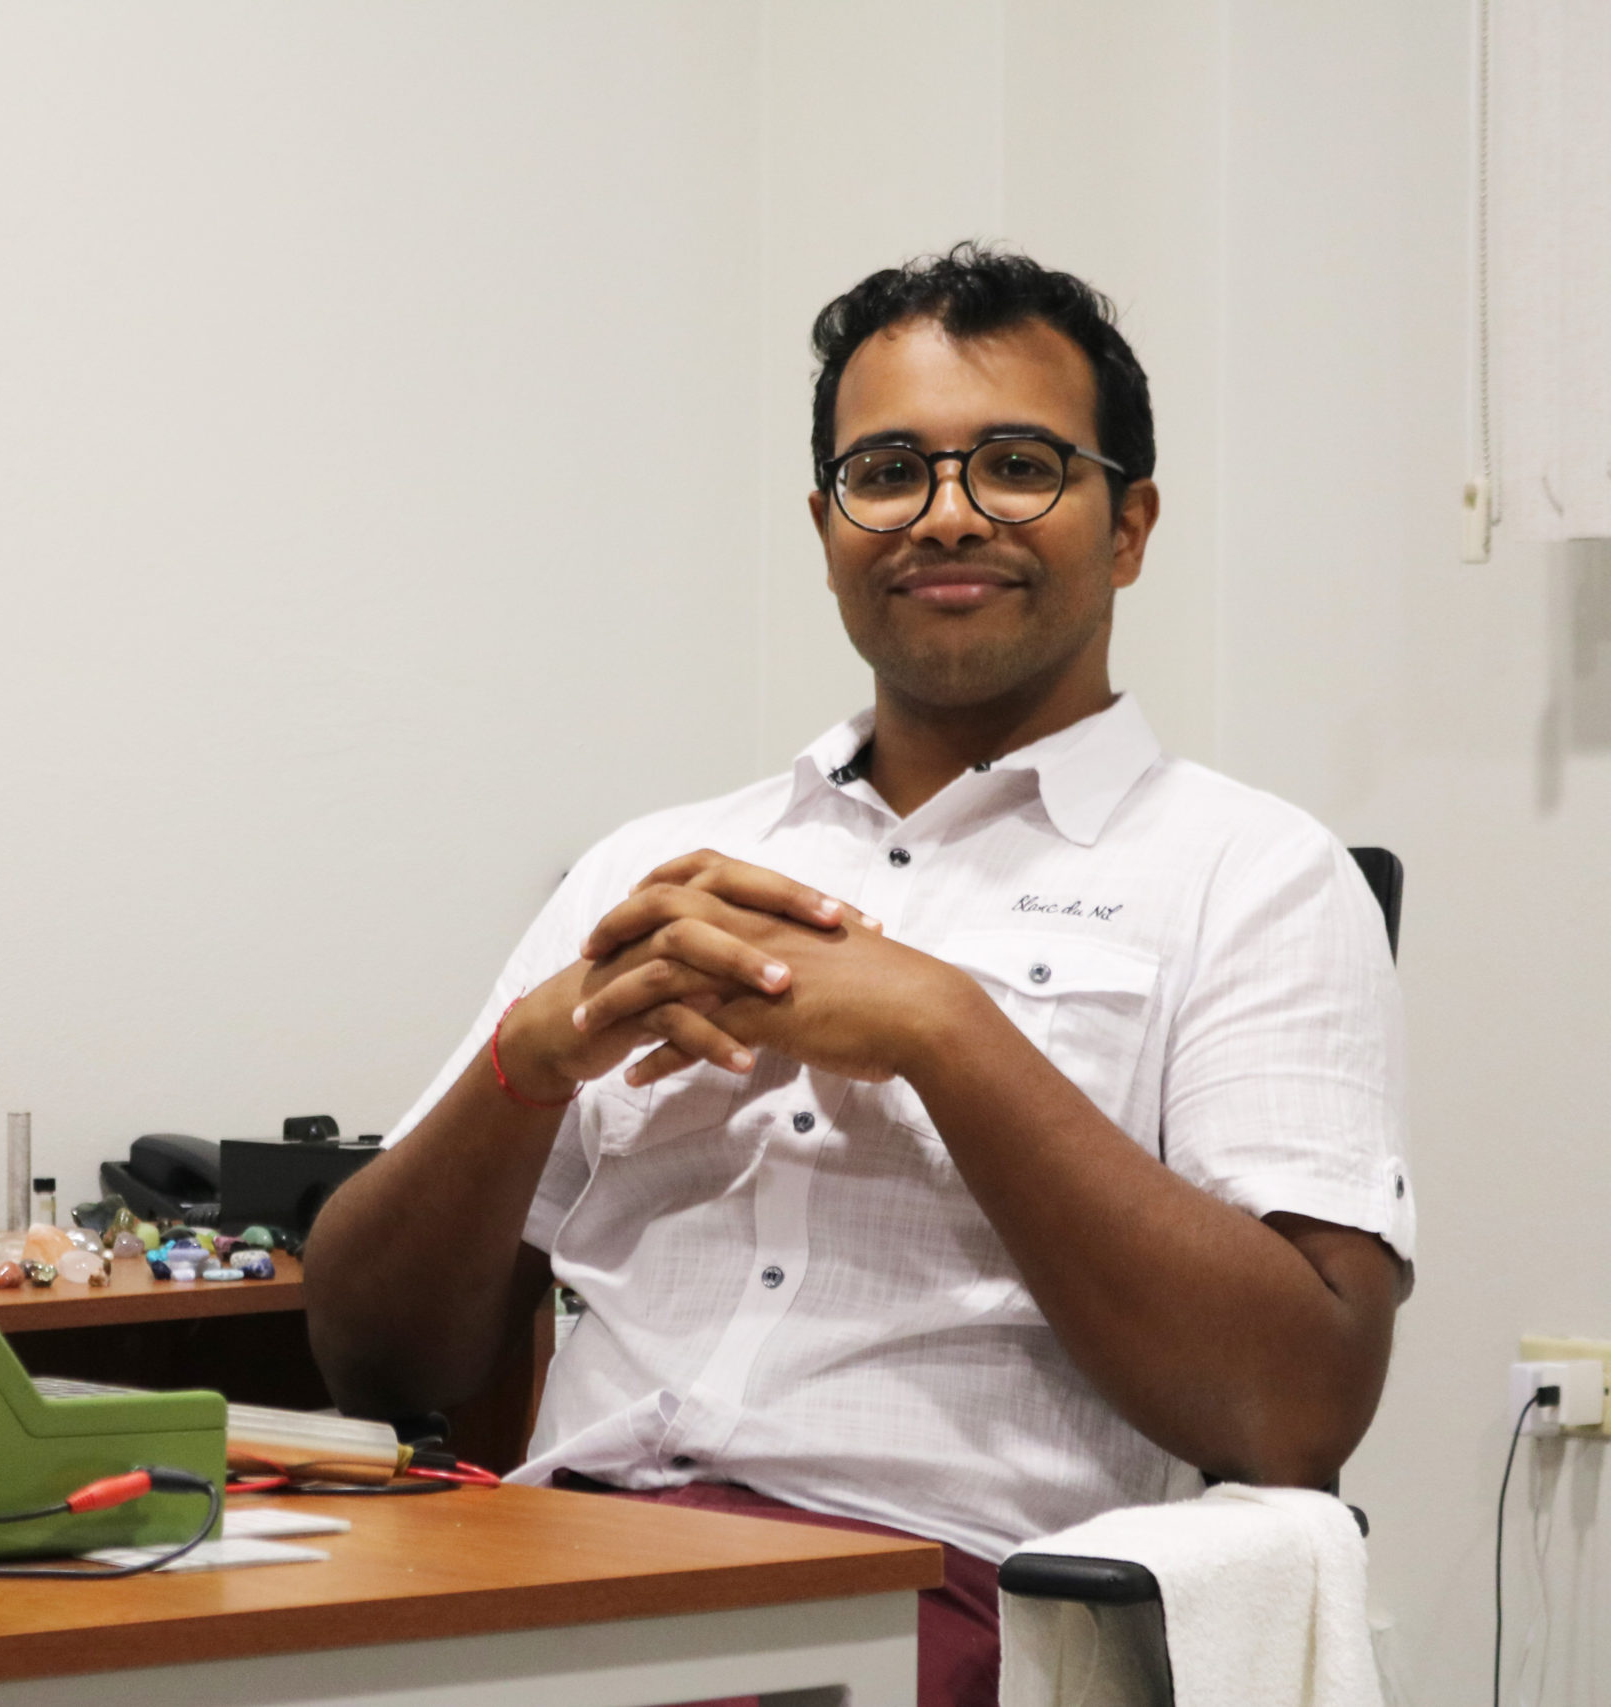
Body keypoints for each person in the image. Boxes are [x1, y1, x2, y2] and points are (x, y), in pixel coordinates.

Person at [303, 244, 1412, 1707]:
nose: (946, 515)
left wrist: (948, 1033)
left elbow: (1297, 1410)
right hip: (556, 1563)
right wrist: (530, 1058)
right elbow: (379, 1362)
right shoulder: (659, 863)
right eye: (886, 471)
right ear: (827, 526)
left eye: (1018, 464)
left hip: (922, 1592)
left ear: (1130, 525)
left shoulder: (1249, 871)